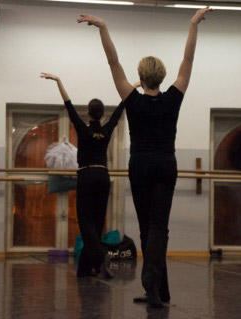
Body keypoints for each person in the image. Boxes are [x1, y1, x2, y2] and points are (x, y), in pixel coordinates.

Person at [77, 8, 211, 307]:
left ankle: (153, 287)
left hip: (140, 165)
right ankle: (158, 291)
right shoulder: (174, 97)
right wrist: (192, 24)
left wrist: (102, 27)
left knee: (147, 226)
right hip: (165, 164)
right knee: (158, 227)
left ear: (140, 77)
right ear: (162, 77)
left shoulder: (132, 99)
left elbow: (113, 61)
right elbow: (188, 61)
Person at [40, 72, 125, 278]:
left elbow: (68, 104)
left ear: (88, 114)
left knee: (85, 221)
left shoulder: (82, 129)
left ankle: (100, 262)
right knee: (96, 222)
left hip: (86, 176)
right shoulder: (106, 130)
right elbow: (121, 109)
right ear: (102, 115)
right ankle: (87, 268)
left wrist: (59, 81)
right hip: (103, 177)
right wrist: (134, 87)